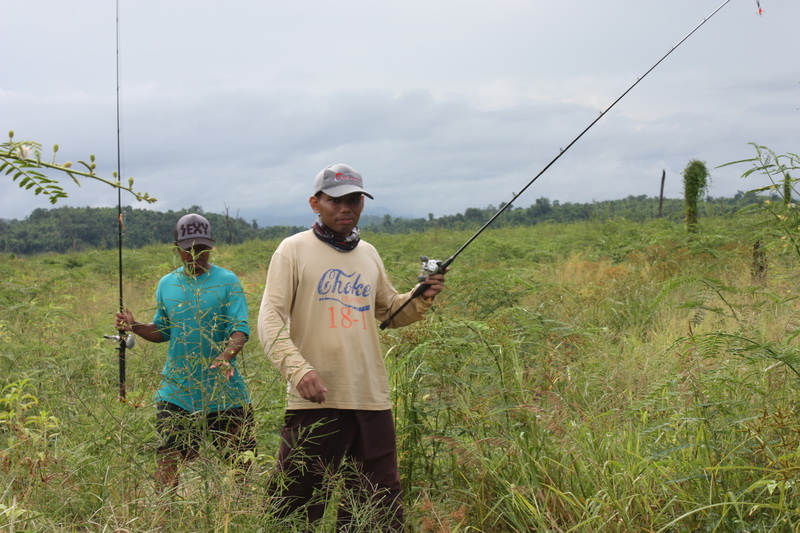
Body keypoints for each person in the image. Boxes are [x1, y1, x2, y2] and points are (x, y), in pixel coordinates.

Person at [257, 164, 446, 531]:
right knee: (296, 505)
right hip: (316, 397)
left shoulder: (369, 254)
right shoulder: (292, 250)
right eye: (336, 200)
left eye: (354, 199)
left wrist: (421, 295)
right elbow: (269, 320)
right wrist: (298, 370)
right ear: (316, 203)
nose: (346, 207)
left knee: (377, 504)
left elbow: (390, 312)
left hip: (371, 398)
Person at [115, 213, 256, 492]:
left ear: (211, 247)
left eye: (202, 248)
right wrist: (134, 325)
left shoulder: (228, 281)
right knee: (168, 459)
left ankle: (241, 511)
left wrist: (225, 356)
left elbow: (240, 330)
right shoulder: (167, 284)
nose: (196, 255)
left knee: (241, 465)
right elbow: (163, 331)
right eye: (189, 249)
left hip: (223, 390)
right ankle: (164, 516)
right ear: (177, 248)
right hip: (177, 388)